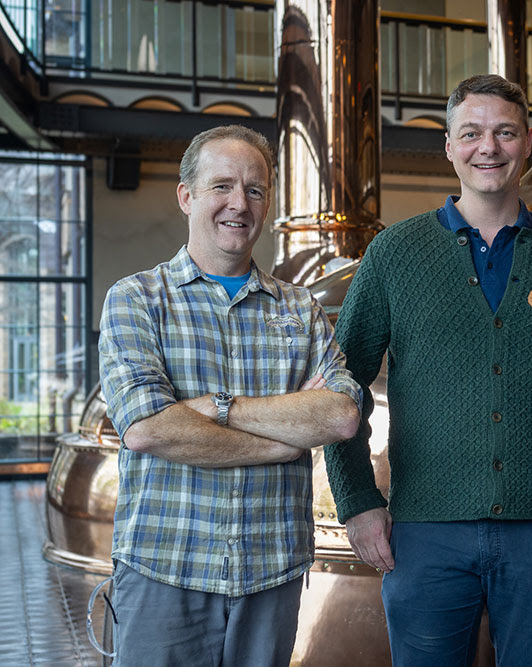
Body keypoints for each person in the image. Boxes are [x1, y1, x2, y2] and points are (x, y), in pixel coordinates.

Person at [324, 74, 532, 666]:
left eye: (505, 132)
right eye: (473, 133)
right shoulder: (394, 253)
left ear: (528, 142)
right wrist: (356, 499)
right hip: (422, 531)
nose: (490, 147)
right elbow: (340, 385)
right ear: (450, 146)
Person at [99, 125, 361, 667]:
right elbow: (148, 429)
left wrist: (218, 410)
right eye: (221, 186)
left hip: (271, 573)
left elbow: (338, 416)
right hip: (164, 570)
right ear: (186, 196)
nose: (238, 204)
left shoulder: (300, 309)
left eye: (255, 189)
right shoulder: (136, 299)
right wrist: (284, 443)